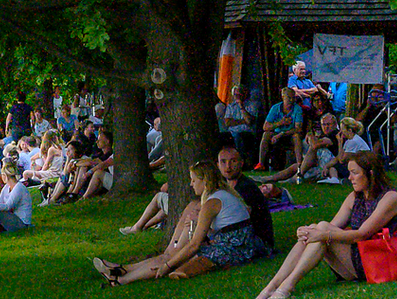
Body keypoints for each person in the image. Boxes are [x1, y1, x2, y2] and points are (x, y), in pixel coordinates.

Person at [251, 151, 397, 299]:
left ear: (371, 174)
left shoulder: (390, 198)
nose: (350, 178)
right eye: (349, 172)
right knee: (317, 228)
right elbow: (331, 227)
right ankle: (272, 287)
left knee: (321, 230)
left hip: (380, 262)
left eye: (355, 173)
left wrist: (322, 234)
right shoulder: (355, 196)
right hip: (359, 260)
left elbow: (361, 234)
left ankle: (286, 287)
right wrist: (308, 231)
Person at [92, 161, 252, 285]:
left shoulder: (211, 202)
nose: (191, 184)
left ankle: (122, 278)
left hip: (236, 249)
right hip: (238, 244)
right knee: (171, 256)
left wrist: (168, 266)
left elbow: (194, 245)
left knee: (174, 258)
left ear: (204, 181)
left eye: (193, 180)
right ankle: (122, 270)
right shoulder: (220, 196)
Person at [256, 89, 303, 171]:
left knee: (296, 136)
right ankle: (261, 164)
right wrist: (280, 123)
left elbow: (298, 129)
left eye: (293, 98)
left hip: (289, 134)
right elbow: (265, 127)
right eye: (289, 98)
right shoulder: (275, 108)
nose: (291, 100)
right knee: (266, 134)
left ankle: (300, 165)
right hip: (276, 133)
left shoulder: (297, 109)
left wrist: (282, 134)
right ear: (283, 97)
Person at [218, 86, 256, 159]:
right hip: (232, 132)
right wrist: (243, 121)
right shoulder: (230, 106)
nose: (238, 97)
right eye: (236, 95)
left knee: (239, 137)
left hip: (246, 132)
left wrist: (241, 107)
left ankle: (239, 159)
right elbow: (227, 123)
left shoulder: (251, 105)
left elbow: (249, 121)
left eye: (239, 94)